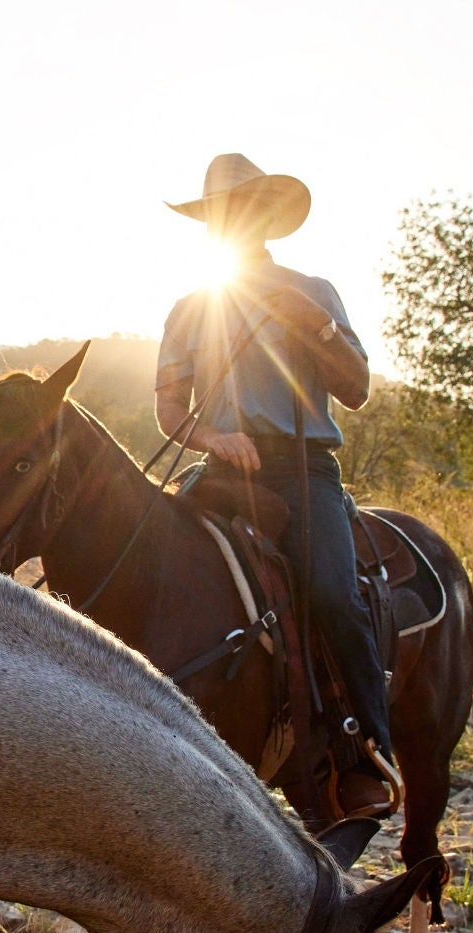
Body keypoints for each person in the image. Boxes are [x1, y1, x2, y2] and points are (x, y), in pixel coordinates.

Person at [154, 153, 397, 823]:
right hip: (225, 469)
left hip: (303, 467)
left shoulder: (314, 290)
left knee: (330, 593)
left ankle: (367, 752)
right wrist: (212, 440)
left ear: (265, 215)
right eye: (218, 214)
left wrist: (312, 326)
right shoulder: (190, 308)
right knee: (152, 566)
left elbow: (355, 390)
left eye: (242, 208)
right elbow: (170, 412)